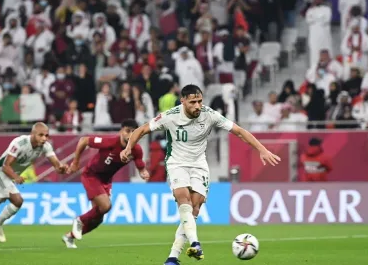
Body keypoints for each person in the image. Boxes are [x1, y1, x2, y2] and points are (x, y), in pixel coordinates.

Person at [119, 85, 280, 265]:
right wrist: (128, 148)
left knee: (194, 208)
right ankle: (195, 243)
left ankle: (172, 257)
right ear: (183, 101)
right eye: (193, 102)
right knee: (183, 199)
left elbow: (239, 132)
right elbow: (140, 130)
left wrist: (262, 149)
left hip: (199, 165)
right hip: (176, 163)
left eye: (200, 101)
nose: (198, 106)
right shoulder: (170, 116)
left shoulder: (209, 114)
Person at [0, 122, 68, 248]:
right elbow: (5, 166)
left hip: (10, 177)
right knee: (18, 200)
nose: (44, 138)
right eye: (41, 135)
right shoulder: (19, 143)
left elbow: (56, 165)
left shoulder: (45, 146)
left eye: (46, 135)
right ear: (33, 134)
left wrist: (62, 168)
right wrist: (16, 177)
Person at [62, 119, 149, 248]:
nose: (130, 135)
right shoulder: (110, 142)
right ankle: (79, 220)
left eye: (133, 132)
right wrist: (75, 162)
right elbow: (84, 140)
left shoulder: (136, 150)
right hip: (91, 175)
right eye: (127, 131)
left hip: (106, 181)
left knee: (98, 218)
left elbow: (140, 164)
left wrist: (143, 172)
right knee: (106, 206)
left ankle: (69, 237)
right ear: (121, 131)